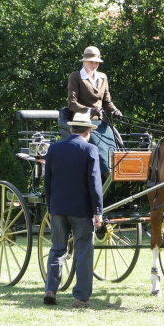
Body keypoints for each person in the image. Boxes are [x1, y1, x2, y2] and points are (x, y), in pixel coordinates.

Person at [43, 112, 103, 308]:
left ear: (70, 129)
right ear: (88, 131)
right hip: (81, 211)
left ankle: (50, 289)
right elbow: (94, 184)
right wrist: (98, 211)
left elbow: (48, 182)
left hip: (58, 208)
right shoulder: (90, 149)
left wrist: (51, 206)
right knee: (83, 252)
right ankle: (80, 297)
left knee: (57, 249)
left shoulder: (54, 149)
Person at [67, 46, 123, 178]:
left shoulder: (103, 77)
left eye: (96, 62)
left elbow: (107, 102)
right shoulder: (76, 77)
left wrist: (115, 110)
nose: (94, 64)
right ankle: (109, 175)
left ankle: (120, 173)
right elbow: (72, 103)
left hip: (101, 122)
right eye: (91, 62)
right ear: (84, 61)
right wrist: (90, 110)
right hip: (83, 122)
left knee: (114, 146)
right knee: (101, 151)